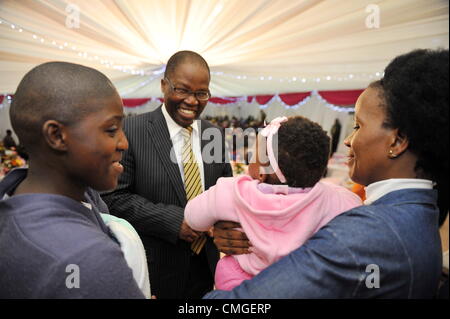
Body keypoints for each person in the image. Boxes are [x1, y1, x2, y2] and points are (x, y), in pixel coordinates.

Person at [205, 48, 448, 298]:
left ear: (397, 142)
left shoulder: (367, 235)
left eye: (358, 126)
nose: (347, 141)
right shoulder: (420, 211)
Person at [0, 62, 145, 298]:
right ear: (57, 135)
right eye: (111, 130)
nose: (124, 143)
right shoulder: (87, 258)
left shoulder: (14, 194)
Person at [101, 50, 233, 299]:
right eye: (182, 90)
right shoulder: (132, 131)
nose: (192, 101)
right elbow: (113, 198)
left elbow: (225, 190)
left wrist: (224, 224)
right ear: (164, 85)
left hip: (207, 266)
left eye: (201, 93)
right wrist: (176, 221)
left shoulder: (212, 134)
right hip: (157, 268)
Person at [185, 116, 362, 290]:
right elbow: (355, 206)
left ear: (262, 171)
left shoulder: (232, 191)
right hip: (299, 286)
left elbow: (193, 217)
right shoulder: (335, 199)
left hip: (238, 283)